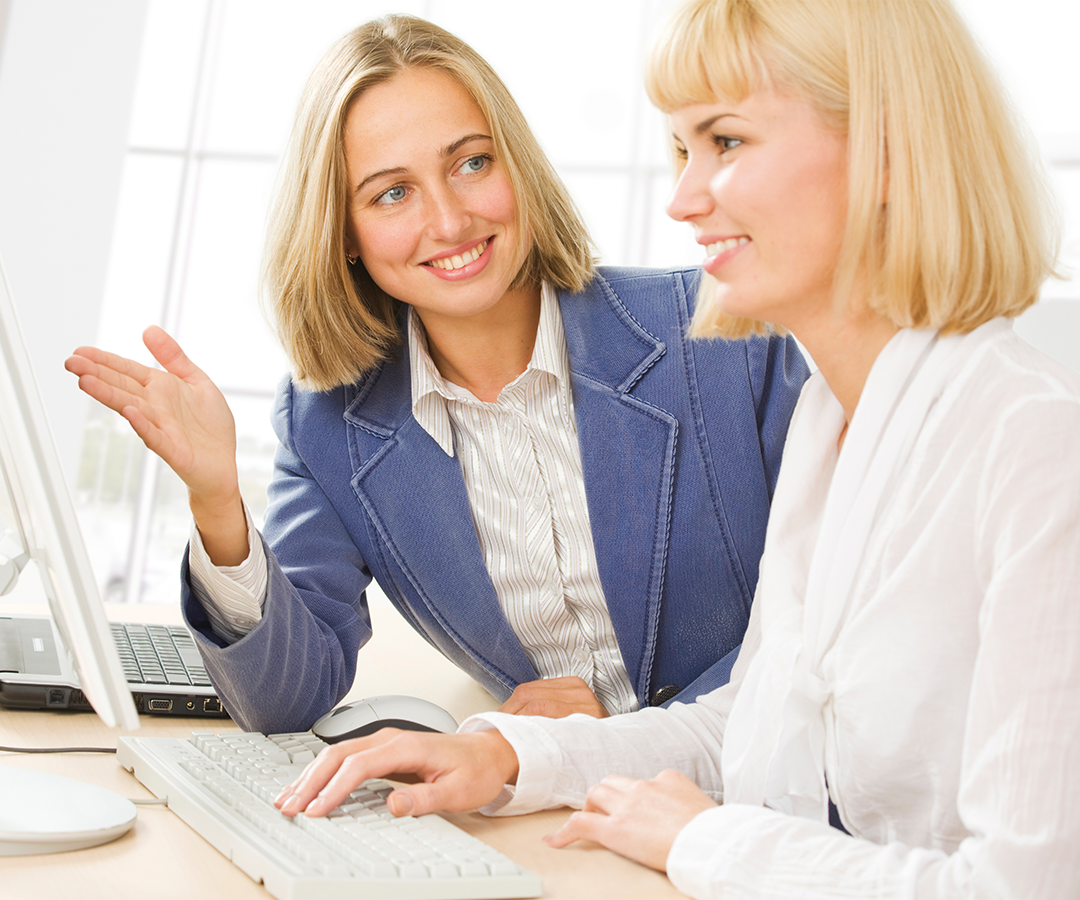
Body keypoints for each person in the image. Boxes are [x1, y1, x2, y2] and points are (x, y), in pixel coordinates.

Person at [272, 0, 1080, 895]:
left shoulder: (1034, 444)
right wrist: (508, 756)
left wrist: (704, 842)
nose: (684, 198)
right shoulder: (834, 422)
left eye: (725, 142)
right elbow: (753, 723)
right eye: (683, 149)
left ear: (887, 151)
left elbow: (1025, 887)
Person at [65, 15, 807, 735]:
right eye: (392, 193)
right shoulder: (328, 423)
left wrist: (614, 745)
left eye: (472, 163)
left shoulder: (727, 332)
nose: (449, 221)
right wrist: (217, 502)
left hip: (771, 786)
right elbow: (286, 699)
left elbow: (824, 615)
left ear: (516, 163)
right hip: (552, 807)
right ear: (344, 233)